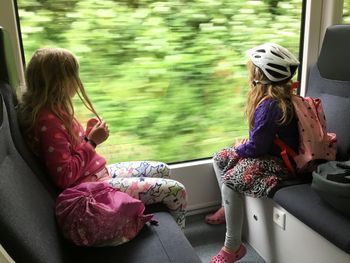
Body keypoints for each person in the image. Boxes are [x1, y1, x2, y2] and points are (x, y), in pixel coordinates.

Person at [18, 47, 187, 230]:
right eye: (74, 76)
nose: (78, 82)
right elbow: (64, 177)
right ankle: (178, 236)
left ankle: (154, 222)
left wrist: (86, 135)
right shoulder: (48, 122)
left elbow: (71, 151)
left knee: (161, 169)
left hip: (96, 173)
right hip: (92, 188)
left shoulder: (56, 110)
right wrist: (92, 142)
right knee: (176, 191)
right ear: (59, 82)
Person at [209, 43, 300, 263]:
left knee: (231, 181)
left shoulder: (270, 106)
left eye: (252, 70)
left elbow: (256, 148)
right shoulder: (277, 99)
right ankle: (227, 205)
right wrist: (246, 144)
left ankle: (233, 247)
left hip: (280, 162)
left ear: (260, 75)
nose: (249, 74)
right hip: (269, 152)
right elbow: (262, 139)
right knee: (219, 157)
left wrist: (241, 146)